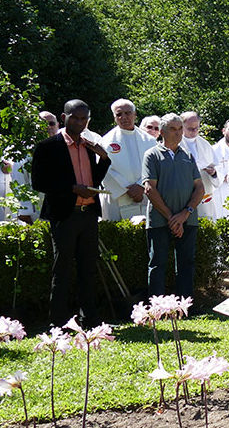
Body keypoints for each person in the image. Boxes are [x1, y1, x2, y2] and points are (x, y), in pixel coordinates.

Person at [30, 100, 112, 326]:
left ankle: (90, 320)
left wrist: (104, 158)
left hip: (88, 214)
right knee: (62, 270)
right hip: (64, 215)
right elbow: (39, 182)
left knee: (88, 268)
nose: (79, 122)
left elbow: (94, 180)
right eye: (75, 117)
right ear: (64, 118)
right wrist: (72, 188)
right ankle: (58, 323)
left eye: (84, 118)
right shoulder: (48, 146)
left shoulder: (88, 146)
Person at [142, 114, 204, 299]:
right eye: (172, 129)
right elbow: (149, 189)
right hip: (160, 221)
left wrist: (185, 214)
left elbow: (200, 188)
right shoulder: (151, 155)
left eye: (180, 129)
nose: (178, 134)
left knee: (186, 263)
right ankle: (157, 309)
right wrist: (172, 218)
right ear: (161, 132)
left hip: (188, 219)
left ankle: (186, 307)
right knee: (157, 264)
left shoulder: (188, 155)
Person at [99, 99, 156, 221]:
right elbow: (104, 170)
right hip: (117, 197)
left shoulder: (149, 140)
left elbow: (155, 166)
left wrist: (141, 186)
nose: (124, 117)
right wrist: (126, 188)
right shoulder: (105, 141)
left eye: (128, 113)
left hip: (145, 194)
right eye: (119, 114)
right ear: (114, 118)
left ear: (135, 115)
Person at [180, 112, 221, 219]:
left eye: (196, 128)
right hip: (184, 194)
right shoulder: (175, 144)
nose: (194, 131)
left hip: (205, 193)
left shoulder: (205, 144)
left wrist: (213, 173)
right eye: (190, 128)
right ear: (182, 126)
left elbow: (216, 168)